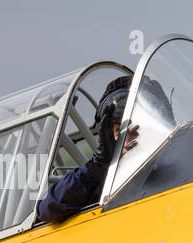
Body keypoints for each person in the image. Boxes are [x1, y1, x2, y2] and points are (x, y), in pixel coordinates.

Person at [36, 76, 139, 222]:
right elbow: (47, 208)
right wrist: (98, 167)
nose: (133, 137)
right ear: (111, 133)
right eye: (122, 127)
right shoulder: (98, 182)